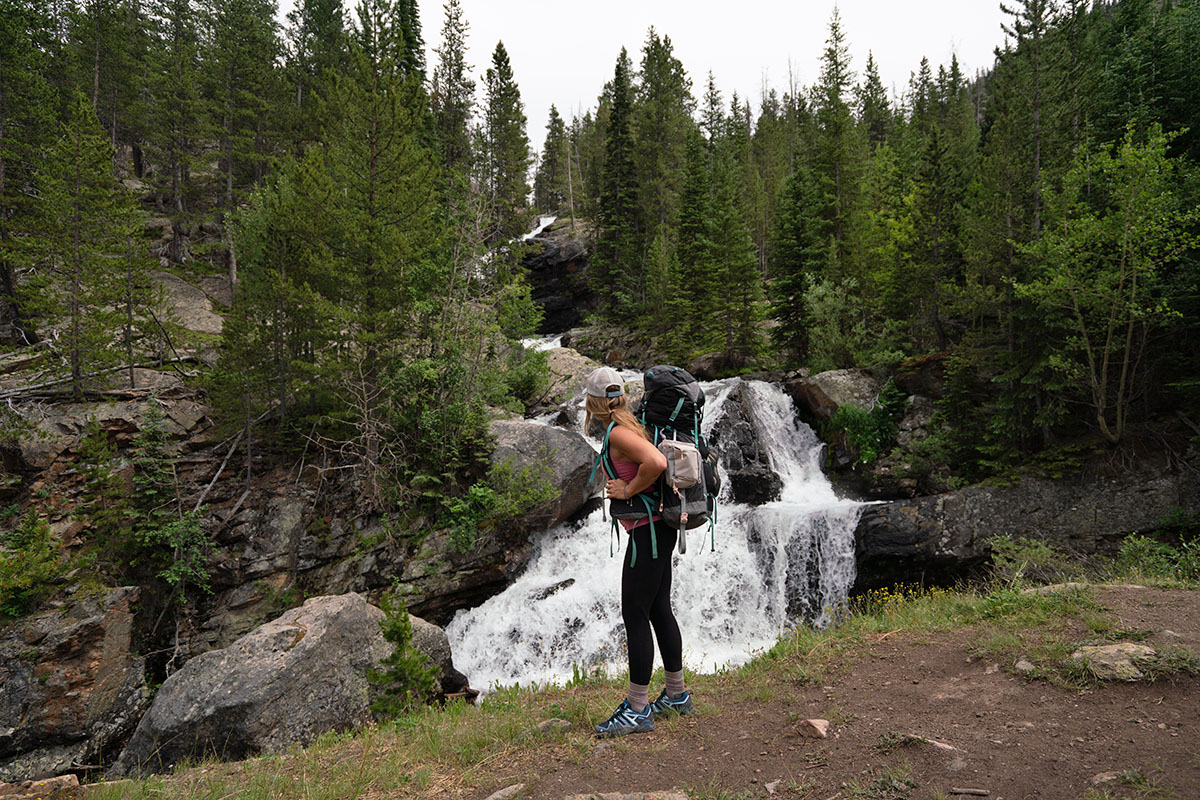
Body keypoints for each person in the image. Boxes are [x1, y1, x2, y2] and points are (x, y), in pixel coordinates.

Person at [584, 366, 696, 738]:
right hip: (659, 529)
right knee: (658, 607)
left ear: (592, 402)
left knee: (635, 612)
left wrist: (629, 490)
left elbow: (657, 463)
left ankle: (637, 708)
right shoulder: (631, 424)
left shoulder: (618, 432)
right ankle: (676, 695)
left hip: (648, 531)